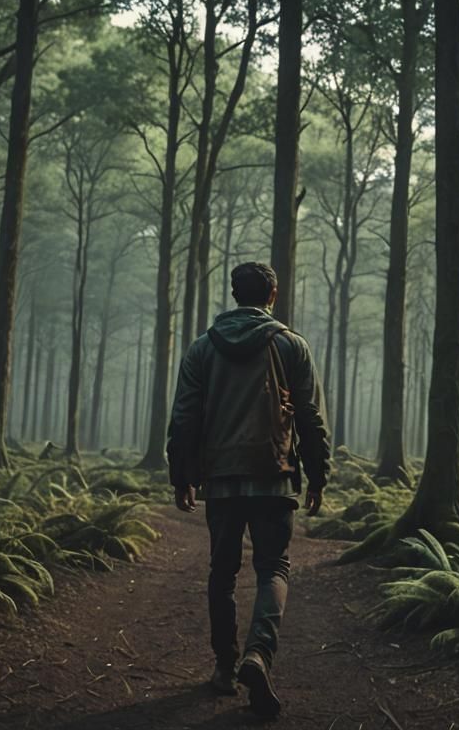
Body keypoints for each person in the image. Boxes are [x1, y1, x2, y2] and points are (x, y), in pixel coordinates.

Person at [167, 261, 331, 718]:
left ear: (235, 295)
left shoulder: (202, 349)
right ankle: (258, 654)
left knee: (221, 572)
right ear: (272, 296)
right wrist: (318, 475)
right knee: (273, 568)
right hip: (274, 474)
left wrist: (182, 475)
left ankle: (224, 667)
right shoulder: (292, 346)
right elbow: (310, 418)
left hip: (219, 479)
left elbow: (184, 418)